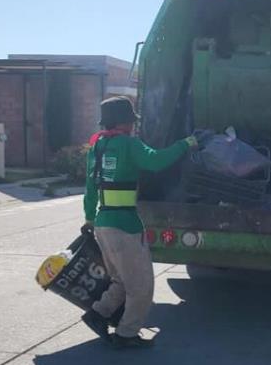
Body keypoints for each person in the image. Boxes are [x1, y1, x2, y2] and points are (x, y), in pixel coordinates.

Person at [80, 96, 198, 348]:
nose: (133, 126)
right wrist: (185, 144)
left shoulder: (97, 147)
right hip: (124, 225)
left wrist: (89, 217)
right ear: (125, 122)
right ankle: (126, 335)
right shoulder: (128, 144)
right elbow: (155, 161)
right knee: (141, 286)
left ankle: (98, 314)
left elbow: (90, 188)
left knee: (121, 280)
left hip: (103, 223)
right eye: (131, 121)